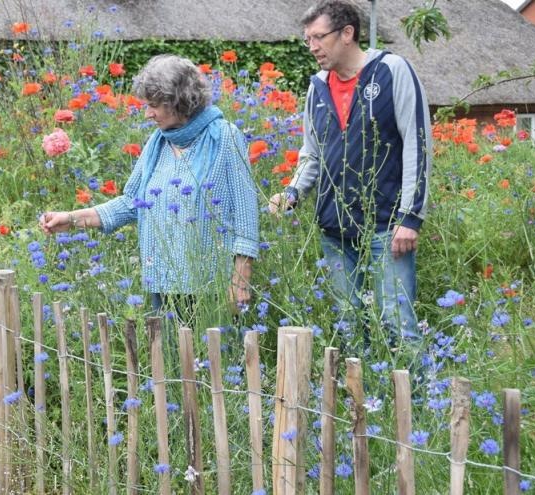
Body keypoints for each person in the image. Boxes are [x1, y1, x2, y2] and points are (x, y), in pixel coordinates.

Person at [40, 54, 259, 320]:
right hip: (163, 284)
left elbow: (247, 214)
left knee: (211, 359)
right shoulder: (159, 143)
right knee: (166, 359)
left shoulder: (224, 136)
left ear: (179, 101)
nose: (148, 113)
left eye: (154, 105)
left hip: (211, 288)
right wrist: (73, 219)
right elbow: (131, 202)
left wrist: (240, 279)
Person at [269, 0, 433, 353]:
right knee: (349, 325)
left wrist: (411, 216)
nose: (312, 46)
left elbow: (417, 144)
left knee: (397, 323)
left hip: (387, 225)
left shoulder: (391, 71)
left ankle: (414, 407)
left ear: (347, 33)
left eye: (318, 37)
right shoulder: (318, 88)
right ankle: (360, 405)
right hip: (334, 227)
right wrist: (292, 192)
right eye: (307, 39)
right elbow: (312, 153)